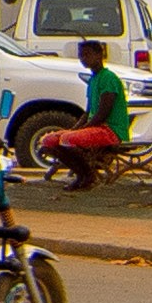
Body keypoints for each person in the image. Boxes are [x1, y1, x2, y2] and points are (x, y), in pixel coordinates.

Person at [35, 36, 131, 190]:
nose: (83, 59)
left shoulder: (108, 78)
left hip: (110, 130)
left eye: (87, 55)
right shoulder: (93, 80)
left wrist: (81, 130)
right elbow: (88, 112)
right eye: (81, 55)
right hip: (96, 128)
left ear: (99, 55)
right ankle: (82, 173)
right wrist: (75, 129)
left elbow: (103, 113)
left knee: (67, 139)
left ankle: (88, 176)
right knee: (49, 140)